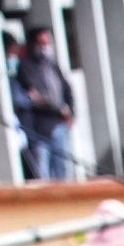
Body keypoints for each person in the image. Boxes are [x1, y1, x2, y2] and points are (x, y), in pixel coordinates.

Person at [12, 32, 77, 184]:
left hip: (59, 126)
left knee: (62, 170)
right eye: (41, 43)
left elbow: (67, 89)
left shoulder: (52, 65)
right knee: (42, 173)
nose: (45, 47)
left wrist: (71, 112)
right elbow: (36, 97)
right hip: (39, 129)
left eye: (47, 43)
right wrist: (59, 110)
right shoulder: (26, 67)